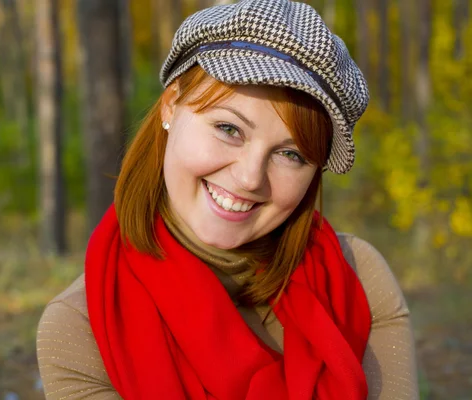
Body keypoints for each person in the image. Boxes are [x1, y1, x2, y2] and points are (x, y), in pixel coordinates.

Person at [37, 0, 419, 399]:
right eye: (228, 128)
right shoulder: (79, 330)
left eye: (292, 154)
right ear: (171, 106)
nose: (250, 177)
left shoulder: (357, 281)